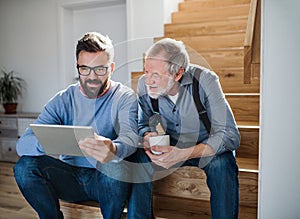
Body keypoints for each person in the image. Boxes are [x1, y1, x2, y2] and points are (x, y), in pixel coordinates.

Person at [14, 32, 153, 219]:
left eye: (100, 69)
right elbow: (22, 145)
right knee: (24, 167)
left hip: (106, 180)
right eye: (85, 69)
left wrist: (113, 148)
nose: (92, 77)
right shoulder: (63, 99)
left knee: (114, 164)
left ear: (111, 68)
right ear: (77, 67)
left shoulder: (124, 97)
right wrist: (50, 141)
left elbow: (130, 138)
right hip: (69, 178)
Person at [137, 38, 241, 219]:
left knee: (222, 164)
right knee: (136, 157)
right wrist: (147, 135)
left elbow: (230, 135)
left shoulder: (205, 80)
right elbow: (142, 124)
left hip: (206, 145)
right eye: (146, 71)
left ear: (178, 74)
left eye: (156, 75)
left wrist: (184, 153)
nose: (148, 80)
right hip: (172, 144)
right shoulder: (144, 85)